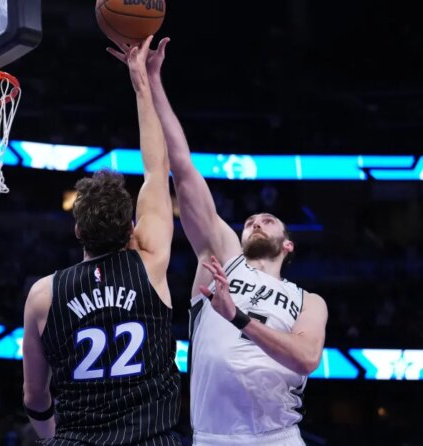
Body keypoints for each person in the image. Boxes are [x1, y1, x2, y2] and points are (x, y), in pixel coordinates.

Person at [141, 37, 328, 445]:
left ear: (288, 244)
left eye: (268, 220)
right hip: (214, 437)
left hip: (278, 436)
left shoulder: (308, 300)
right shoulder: (222, 255)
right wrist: (151, 79)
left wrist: (236, 316)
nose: (256, 222)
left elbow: (307, 357)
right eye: (250, 220)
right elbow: (184, 168)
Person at [22, 35, 181, 445]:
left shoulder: (43, 295)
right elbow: (156, 167)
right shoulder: (151, 262)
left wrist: (50, 438)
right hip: (152, 438)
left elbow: (34, 396)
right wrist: (142, 83)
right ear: (132, 229)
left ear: (77, 230)